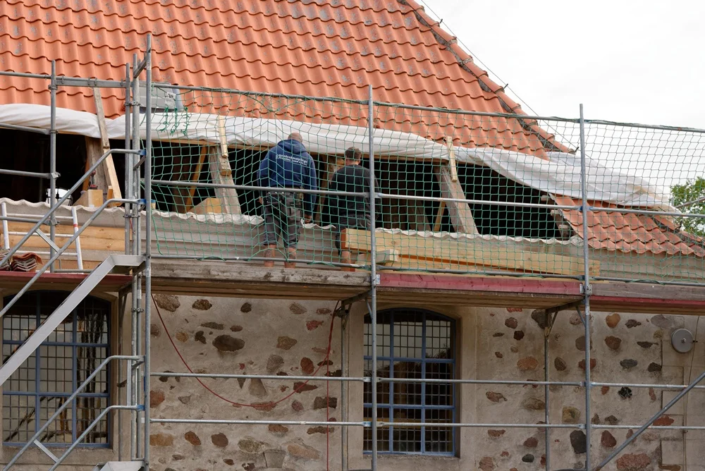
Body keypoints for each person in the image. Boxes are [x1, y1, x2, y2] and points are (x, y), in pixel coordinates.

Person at [257, 132, 318, 268]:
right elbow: (311, 187)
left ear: (287, 139)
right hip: (294, 201)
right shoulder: (307, 158)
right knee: (291, 244)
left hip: (273, 197)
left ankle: (267, 273)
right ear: (301, 143)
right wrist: (309, 211)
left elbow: (262, 174)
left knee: (270, 241)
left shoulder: (274, 151)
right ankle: (290, 276)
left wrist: (263, 193)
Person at [326, 147, 377, 270]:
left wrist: (337, 215)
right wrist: (374, 217)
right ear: (359, 159)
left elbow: (332, 198)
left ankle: (346, 275)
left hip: (346, 215)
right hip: (365, 215)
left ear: (346, 158)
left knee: (345, 247)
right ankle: (362, 276)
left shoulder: (339, 173)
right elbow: (377, 198)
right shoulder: (369, 174)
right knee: (364, 247)